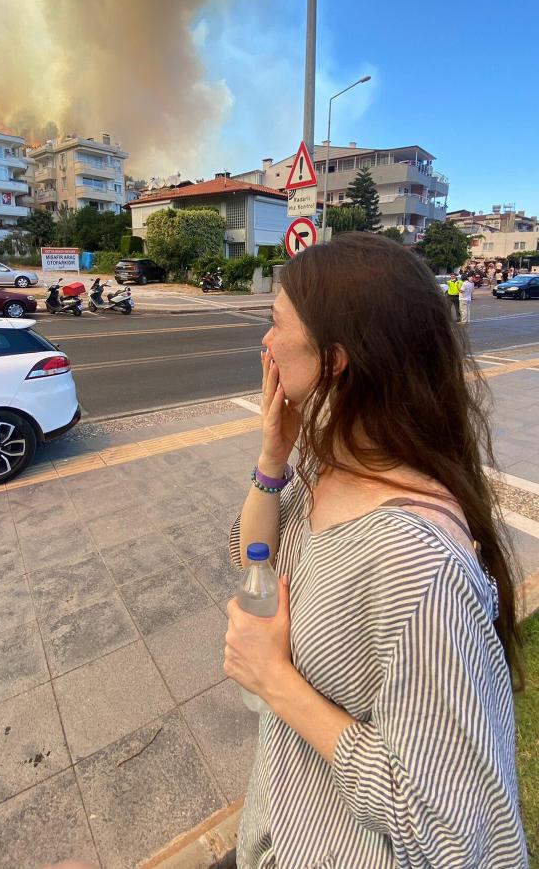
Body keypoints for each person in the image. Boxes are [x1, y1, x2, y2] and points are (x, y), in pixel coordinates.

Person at [225, 233, 526, 869]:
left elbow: (448, 832)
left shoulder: (416, 563)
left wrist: (276, 682)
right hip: (280, 827)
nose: (266, 344)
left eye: (275, 323)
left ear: (334, 360)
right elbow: (252, 558)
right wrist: (273, 458)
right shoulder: (331, 466)